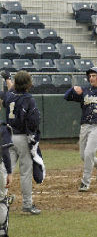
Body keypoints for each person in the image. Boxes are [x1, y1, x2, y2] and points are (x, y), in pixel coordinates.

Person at [0, 70, 41, 215]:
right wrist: (33, 137)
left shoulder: (9, 96)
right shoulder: (29, 99)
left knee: (5, 170)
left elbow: (10, 93)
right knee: (25, 172)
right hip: (22, 138)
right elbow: (34, 121)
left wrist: (7, 79)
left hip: (8, 136)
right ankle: (27, 206)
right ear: (28, 84)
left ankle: (1, 202)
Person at [0, 121, 14, 237]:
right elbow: (4, 151)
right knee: (1, 199)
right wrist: (9, 172)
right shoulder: (2, 128)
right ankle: (1, 231)